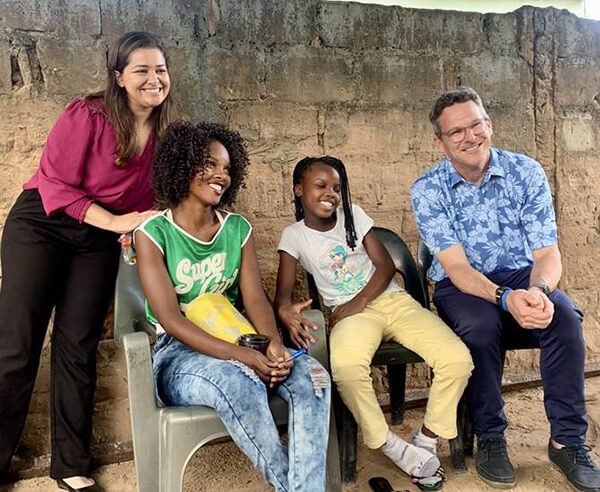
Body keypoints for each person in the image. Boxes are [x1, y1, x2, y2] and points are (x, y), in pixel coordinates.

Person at [0, 32, 172, 491]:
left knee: (78, 346)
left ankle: (71, 466)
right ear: (119, 77)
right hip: (43, 223)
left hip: (97, 237)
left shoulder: (163, 136)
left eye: (160, 69)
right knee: (17, 348)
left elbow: (146, 204)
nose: (154, 79)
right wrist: (120, 223)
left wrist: (131, 230)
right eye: (141, 69)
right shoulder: (87, 115)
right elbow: (56, 187)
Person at [411, 86, 600, 491]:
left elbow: (548, 253)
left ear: (489, 124)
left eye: (476, 124)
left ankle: (567, 441)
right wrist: (503, 298)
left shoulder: (525, 171)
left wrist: (541, 292)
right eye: (456, 131)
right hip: (461, 286)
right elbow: (456, 267)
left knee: (563, 318)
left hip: (522, 275)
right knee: (481, 329)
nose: (470, 136)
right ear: (439, 141)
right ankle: (491, 436)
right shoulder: (428, 189)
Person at [135, 121, 331, 492]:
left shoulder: (238, 229)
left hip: (243, 338)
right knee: (237, 381)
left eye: (226, 168)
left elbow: (255, 298)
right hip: (179, 354)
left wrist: (272, 347)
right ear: (182, 165)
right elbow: (170, 319)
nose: (220, 176)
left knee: (314, 378)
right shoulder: (153, 234)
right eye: (209, 164)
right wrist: (244, 359)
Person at [274, 156, 473, 491]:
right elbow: (281, 295)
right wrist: (285, 312)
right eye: (320, 186)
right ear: (299, 190)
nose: (331, 194)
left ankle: (424, 441)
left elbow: (384, 267)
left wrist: (359, 301)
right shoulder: (293, 236)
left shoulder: (354, 215)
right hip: (352, 317)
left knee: (457, 359)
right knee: (347, 369)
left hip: (391, 302)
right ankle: (388, 444)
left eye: (337, 188)